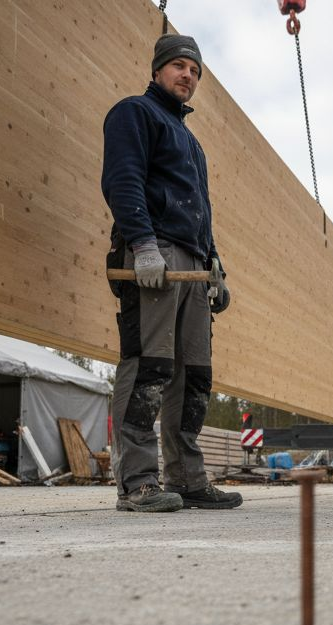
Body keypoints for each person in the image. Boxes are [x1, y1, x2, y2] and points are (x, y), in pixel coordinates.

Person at [101, 34, 242, 513]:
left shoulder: (192, 143)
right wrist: (142, 246)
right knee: (149, 367)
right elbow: (122, 180)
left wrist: (214, 263)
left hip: (193, 267)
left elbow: (200, 210)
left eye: (195, 71)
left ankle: (187, 478)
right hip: (156, 255)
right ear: (158, 70)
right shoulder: (134, 113)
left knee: (195, 377)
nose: (188, 76)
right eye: (179, 66)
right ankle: (136, 483)